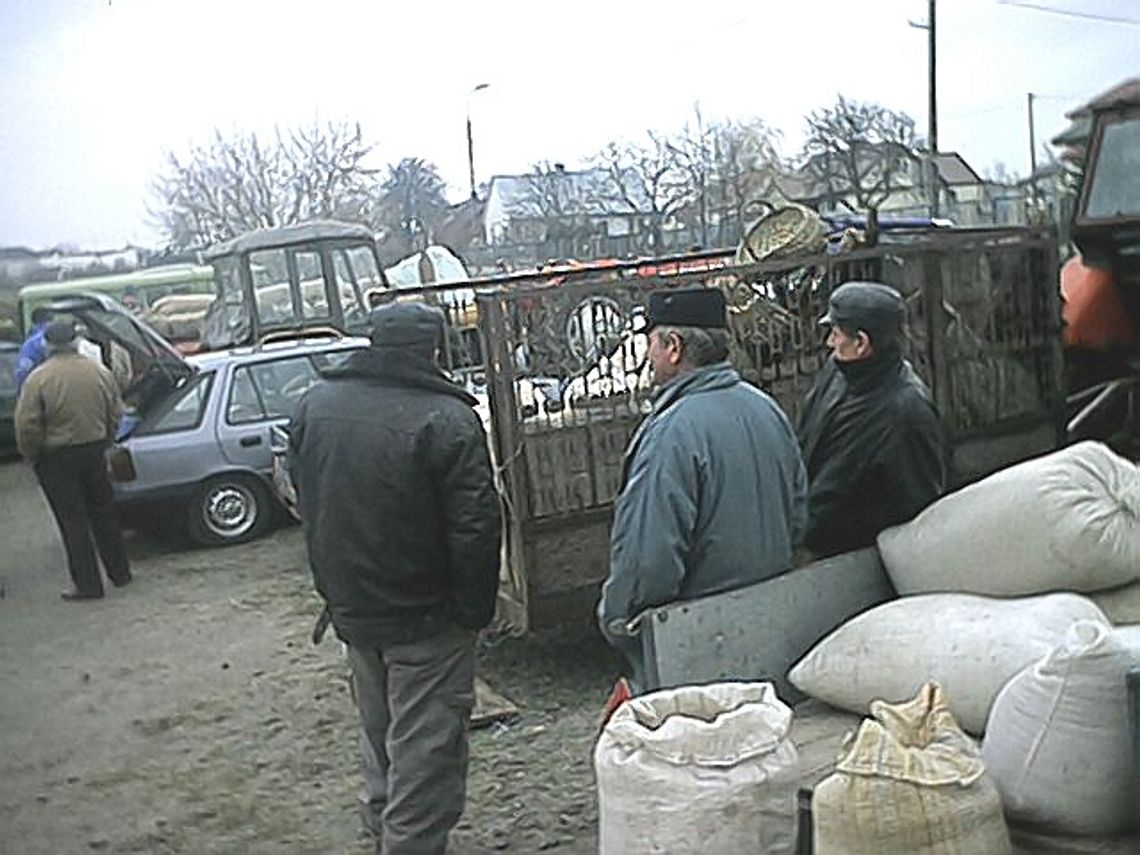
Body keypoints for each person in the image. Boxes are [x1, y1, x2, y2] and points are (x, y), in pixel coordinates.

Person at [288, 301, 501, 855]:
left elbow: (303, 495)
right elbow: (476, 527)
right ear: (434, 350)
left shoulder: (316, 405)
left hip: (353, 611)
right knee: (425, 757)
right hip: (427, 618)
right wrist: (473, 614)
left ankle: (379, 838)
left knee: (381, 743)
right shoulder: (447, 419)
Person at [597, 287, 808, 691]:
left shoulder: (671, 434)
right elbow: (798, 517)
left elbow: (647, 563)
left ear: (673, 347)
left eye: (652, 344)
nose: (649, 356)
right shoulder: (767, 409)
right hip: (770, 626)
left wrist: (618, 621)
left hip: (699, 642)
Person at [797, 281, 945, 558]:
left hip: (862, 558)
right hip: (815, 541)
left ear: (862, 343)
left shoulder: (907, 411)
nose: (830, 342)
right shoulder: (837, 372)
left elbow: (917, 507)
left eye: (836, 333)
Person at [14, 319, 132, 600]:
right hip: (94, 450)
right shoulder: (99, 372)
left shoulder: (38, 379)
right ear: (76, 342)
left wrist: (32, 455)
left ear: (47, 345)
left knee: (73, 522)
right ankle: (120, 573)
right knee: (104, 514)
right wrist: (106, 439)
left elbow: (27, 424)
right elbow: (116, 411)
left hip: (56, 458)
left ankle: (88, 585)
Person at [15, 306, 53, 390]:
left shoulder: (31, 344)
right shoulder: (60, 338)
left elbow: (23, 372)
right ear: (52, 319)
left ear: (33, 321)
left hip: (38, 389)